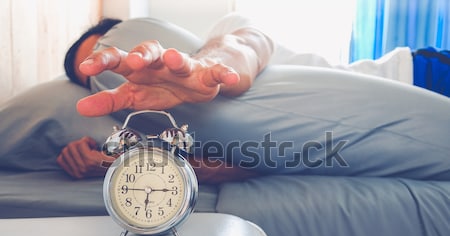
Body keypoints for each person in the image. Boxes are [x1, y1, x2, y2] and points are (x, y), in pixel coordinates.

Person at [57, 13, 450, 182]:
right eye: (92, 76)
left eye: (107, 56)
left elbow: (245, 45)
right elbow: (238, 164)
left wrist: (204, 69)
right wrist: (113, 163)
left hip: (419, 74)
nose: (109, 74)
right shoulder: (143, 124)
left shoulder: (222, 35)